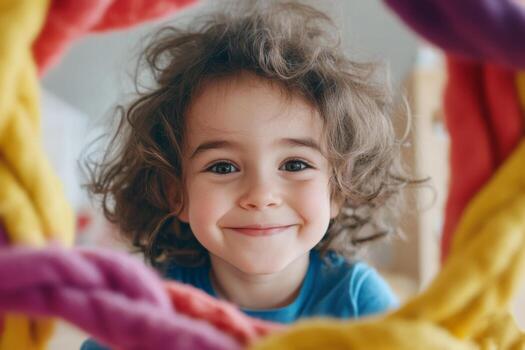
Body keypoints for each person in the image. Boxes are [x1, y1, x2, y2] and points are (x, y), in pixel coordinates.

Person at [81, 1, 413, 348]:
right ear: (176, 193)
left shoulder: (358, 301)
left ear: (338, 189)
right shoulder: (154, 307)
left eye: (295, 165)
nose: (260, 194)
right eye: (223, 167)